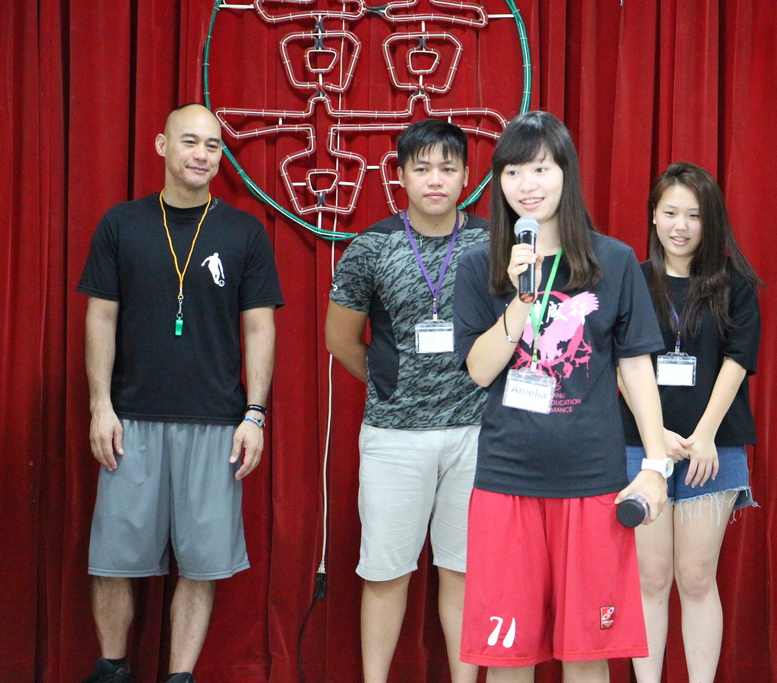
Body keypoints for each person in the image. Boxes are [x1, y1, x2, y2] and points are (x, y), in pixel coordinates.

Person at [453, 110, 673, 681]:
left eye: (540, 169)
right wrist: (520, 299)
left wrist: (655, 467)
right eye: (513, 172)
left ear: (565, 173)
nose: (527, 185)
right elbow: (479, 371)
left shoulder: (613, 262)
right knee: (508, 656)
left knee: (586, 654)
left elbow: (636, 369)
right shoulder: (479, 266)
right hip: (507, 478)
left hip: (592, 480)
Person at [78, 103, 283, 683]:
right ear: (162, 145)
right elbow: (101, 318)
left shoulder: (244, 232)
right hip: (130, 418)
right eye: (190, 141)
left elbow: (259, 328)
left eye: (213, 146)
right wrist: (100, 405)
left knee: (201, 564)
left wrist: (255, 414)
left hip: (216, 422)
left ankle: (179, 677)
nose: (202, 154)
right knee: (113, 559)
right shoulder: (122, 224)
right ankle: (113, 669)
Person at [324, 118, 487, 683]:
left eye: (447, 168)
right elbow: (340, 338)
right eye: (422, 169)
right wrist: (389, 384)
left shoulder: (493, 244)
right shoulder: (370, 247)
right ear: (400, 176)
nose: (434, 180)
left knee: (463, 573)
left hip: (476, 435)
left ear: (466, 176)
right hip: (394, 437)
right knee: (386, 572)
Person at [619, 162, 761, 682]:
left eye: (694, 215)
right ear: (654, 216)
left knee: (697, 577)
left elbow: (738, 360)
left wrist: (704, 435)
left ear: (711, 220)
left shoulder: (734, 283)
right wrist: (656, 437)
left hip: (712, 448)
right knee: (650, 578)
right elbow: (619, 364)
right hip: (641, 446)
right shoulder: (632, 279)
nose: (681, 226)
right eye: (671, 212)